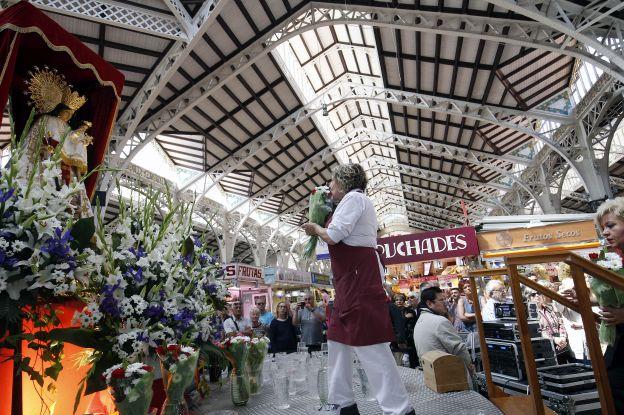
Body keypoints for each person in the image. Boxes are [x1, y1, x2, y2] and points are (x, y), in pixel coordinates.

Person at [303, 163, 414, 415]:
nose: (329, 187)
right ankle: (342, 403)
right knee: (337, 341)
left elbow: (334, 235)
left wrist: (315, 229)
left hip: (357, 281)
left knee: (371, 345)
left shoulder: (354, 198)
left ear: (343, 183)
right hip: (348, 283)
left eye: (332, 182)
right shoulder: (349, 202)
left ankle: (399, 409)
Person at [413, 287, 474, 377]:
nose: (445, 303)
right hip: (449, 376)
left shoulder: (419, 321)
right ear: (429, 303)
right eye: (441, 300)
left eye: (445, 299)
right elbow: (459, 349)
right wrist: (470, 370)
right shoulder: (440, 321)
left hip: (431, 374)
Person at [536, 280, 571, 364]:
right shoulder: (531, 314)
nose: (537, 296)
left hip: (561, 348)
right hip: (546, 352)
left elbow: (560, 324)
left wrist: (562, 338)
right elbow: (537, 331)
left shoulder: (550, 309)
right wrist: (555, 339)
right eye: (533, 294)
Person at [389, 293, 408, 365]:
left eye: (401, 300)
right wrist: (405, 318)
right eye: (396, 300)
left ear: (404, 301)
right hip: (396, 340)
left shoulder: (408, 310)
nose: (399, 301)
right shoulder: (392, 311)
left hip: (406, 339)